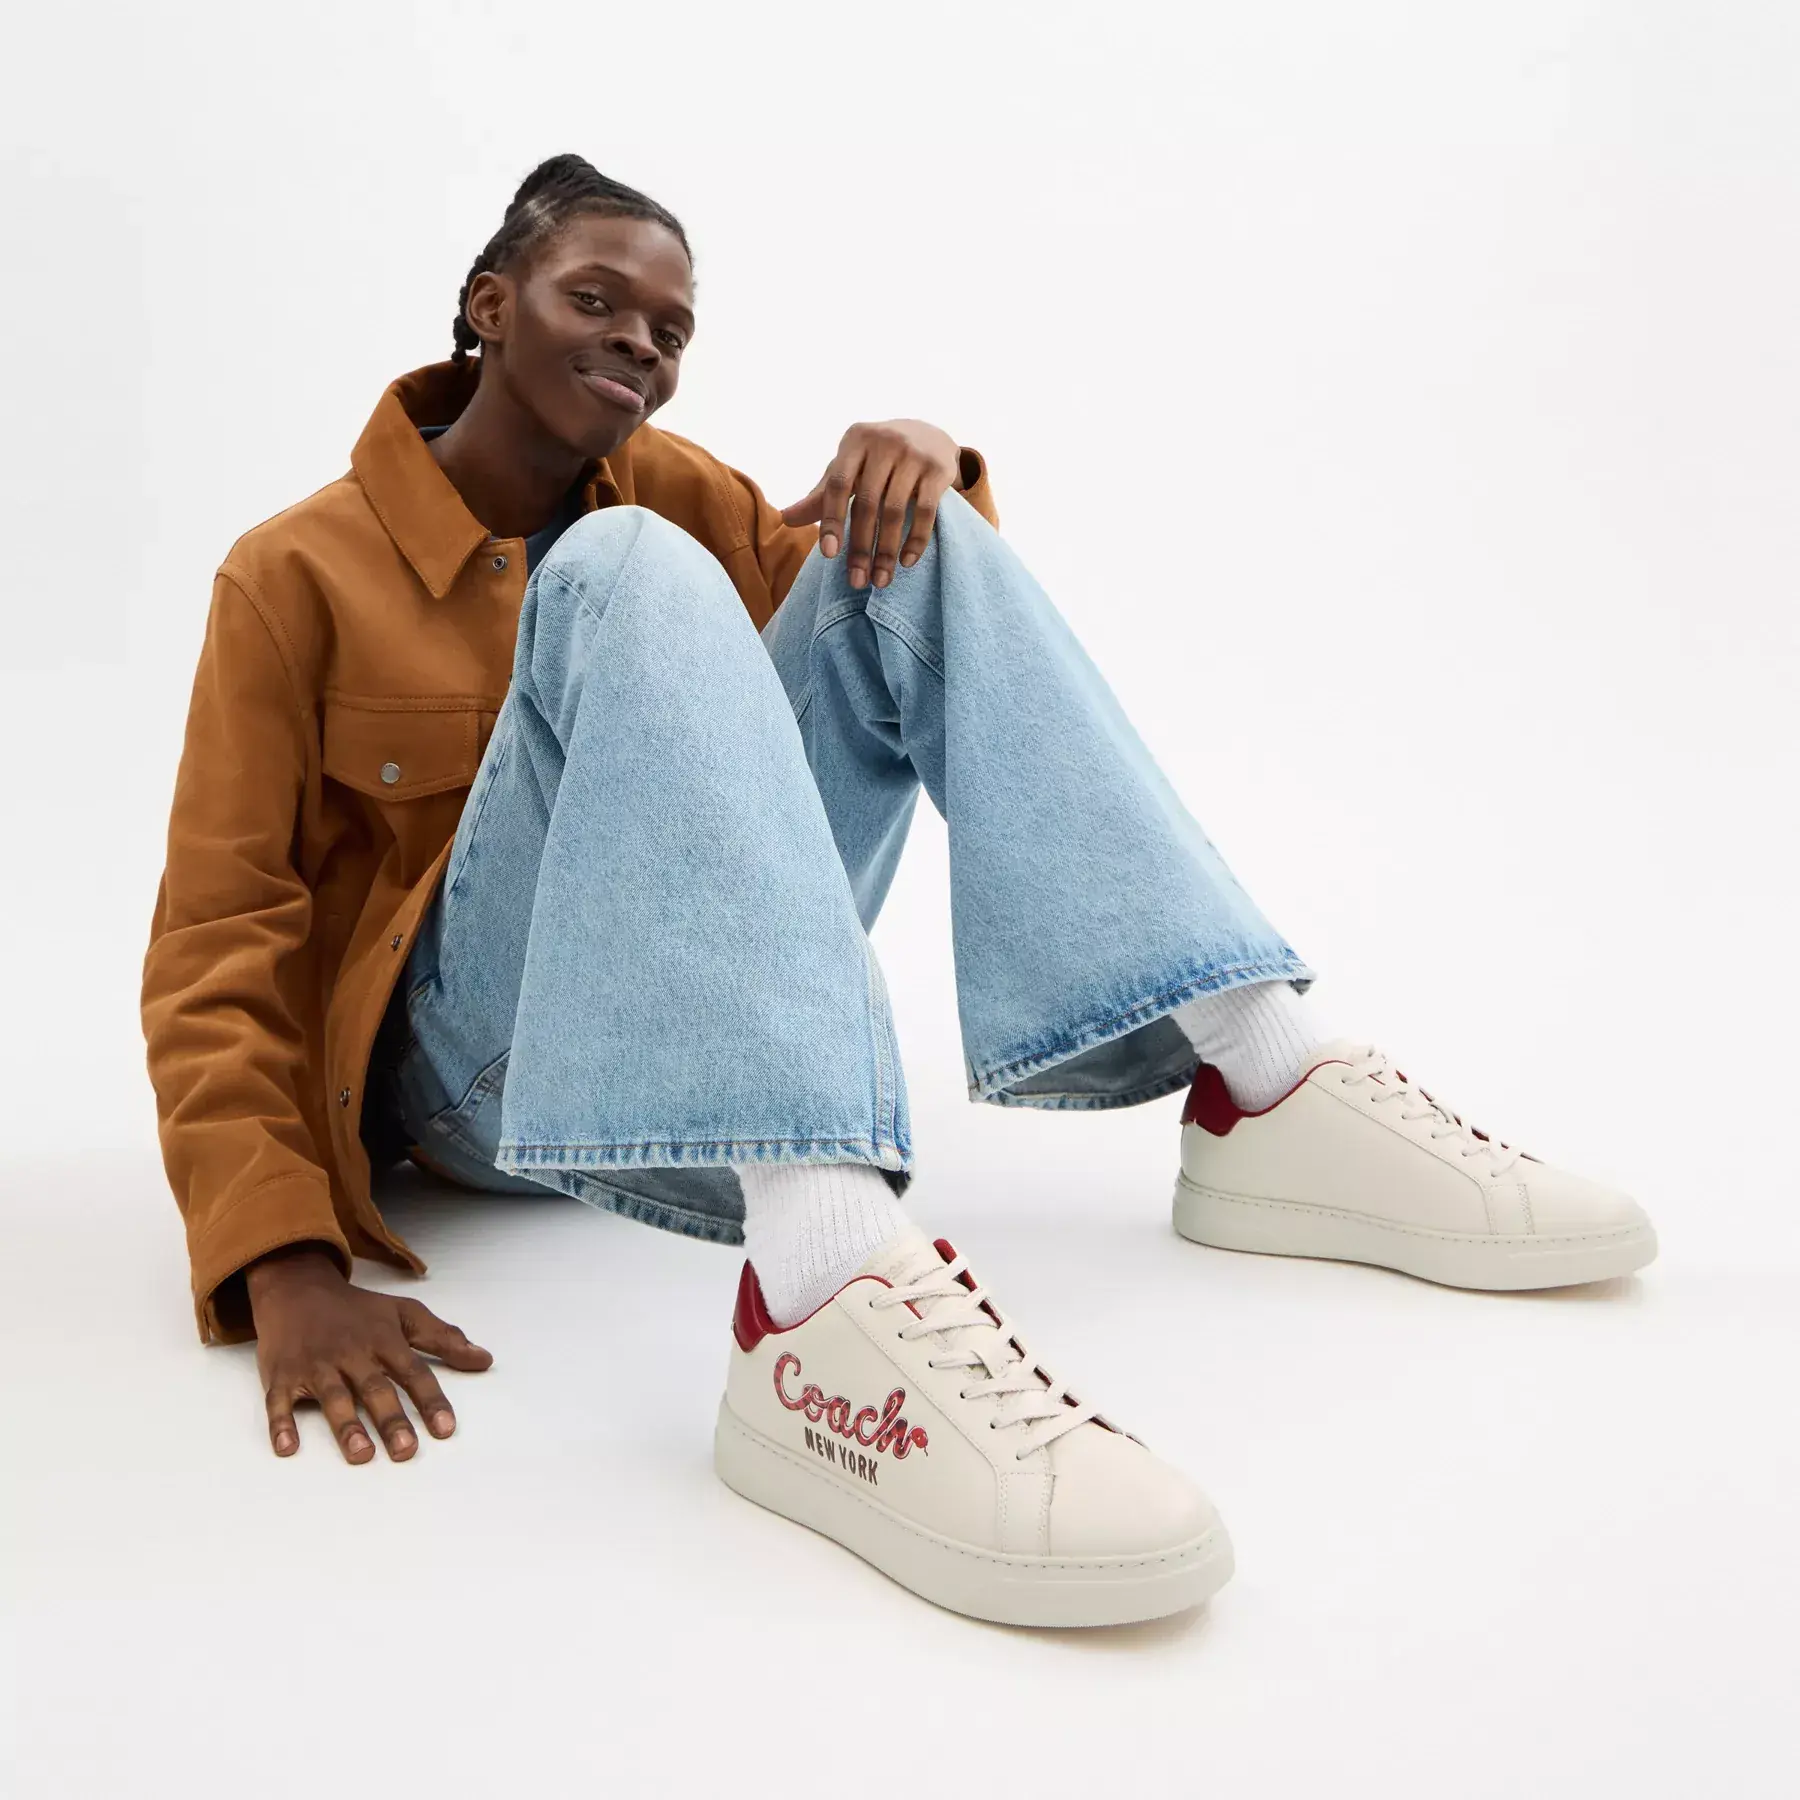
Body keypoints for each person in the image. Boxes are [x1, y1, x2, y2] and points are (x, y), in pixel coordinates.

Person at [142, 153, 1656, 1628]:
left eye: (670, 328)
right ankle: (819, 1296)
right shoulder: (293, 574)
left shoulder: (673, 487)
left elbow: (902, 638)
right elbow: (220, 937)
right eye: (594, 299)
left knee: (895, 542)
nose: (640, 344)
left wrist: (926, 460)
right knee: (624, 567)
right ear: (489, 304)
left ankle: (1261, 1075)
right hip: (482, 1078)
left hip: (691, 1000)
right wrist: (283, 1262)